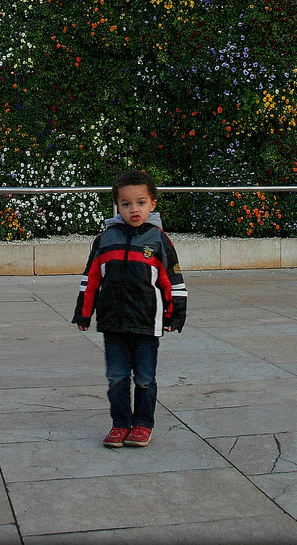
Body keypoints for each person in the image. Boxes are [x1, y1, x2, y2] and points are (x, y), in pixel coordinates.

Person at [72, 169, 187, 448]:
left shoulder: (159, 241)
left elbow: (174, 281)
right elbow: (91, 280)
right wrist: (83, 313)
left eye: (141, 202)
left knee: (145, 378)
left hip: (147, 323)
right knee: (117, 378)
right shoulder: (105, 240)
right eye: (126, 204)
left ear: (153, 204)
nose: (134, 209)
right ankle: (120, 424)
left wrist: (176, 315)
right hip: (113, 323)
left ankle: (143, 424)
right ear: (117, 206)